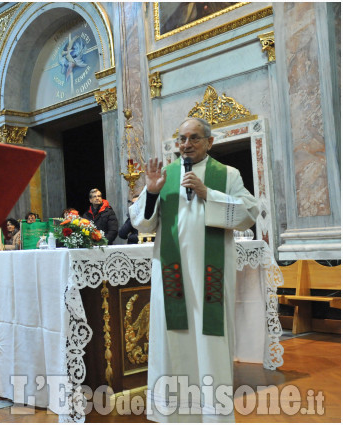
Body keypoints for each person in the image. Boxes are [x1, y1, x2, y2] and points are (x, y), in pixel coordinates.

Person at [129, 117, 258, 422]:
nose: (186, 145)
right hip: (172, 277)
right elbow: (142, 223)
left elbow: (249, 214)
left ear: (209, 142)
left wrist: (207, 193)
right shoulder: (165, 175)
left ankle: (213, 414)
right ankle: (174, 414)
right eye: (182, 139)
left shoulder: (227, 175)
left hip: (210, 277)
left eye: (194, 138)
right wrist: (150, 192)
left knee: (210, 341)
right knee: (173, 341)